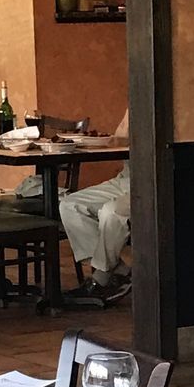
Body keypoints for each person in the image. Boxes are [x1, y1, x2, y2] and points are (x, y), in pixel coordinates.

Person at [59, 109, 132, 301]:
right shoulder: (136, 99)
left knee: (111, 212)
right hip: (126, 179)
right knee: (70, 205)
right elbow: (121, 138)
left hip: (152, 178)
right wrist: (107, 141)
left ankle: (101, 279)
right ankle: (119, 272)